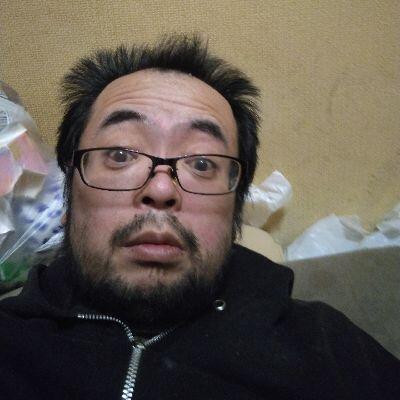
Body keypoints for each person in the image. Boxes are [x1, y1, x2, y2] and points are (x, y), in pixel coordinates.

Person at [0, 34, 399, 400]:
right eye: (121, 155)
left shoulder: (333, 354)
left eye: (203, 163)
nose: (161, 189)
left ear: (236, 209)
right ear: (69, 192)